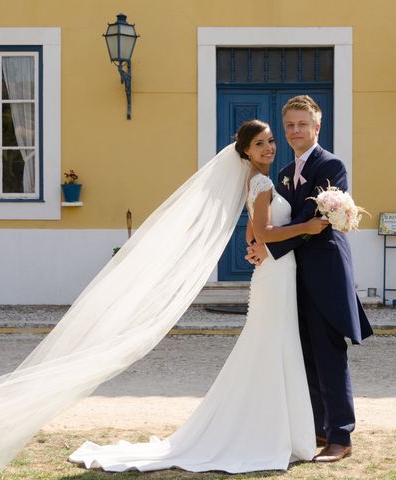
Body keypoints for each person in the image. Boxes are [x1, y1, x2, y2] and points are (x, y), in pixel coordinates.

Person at [68, 120, 330, 473]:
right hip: (277, 274)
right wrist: (307, 227)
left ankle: (273, 428)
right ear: (246, 151)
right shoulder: (263, 181)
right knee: (273, 343)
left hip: (274, 272)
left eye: (270, 141)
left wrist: (253, 245)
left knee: (270, 343)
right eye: (259, 144)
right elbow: (267, 230)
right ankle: (272, 431)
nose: (268, 148)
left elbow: (254, 228)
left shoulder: (254, 181)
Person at [246, 95, 374, 462]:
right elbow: (275, 219)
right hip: (294, 276)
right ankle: (318, 427)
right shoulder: (285, 170)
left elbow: (310, 220)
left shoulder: (330, 165)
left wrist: (269, 246)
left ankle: (341, 436)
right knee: (307, 356)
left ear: (317, 128)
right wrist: (256, 242)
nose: (295, 130)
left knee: (330, 354)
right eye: (289, 125)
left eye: (302, 124)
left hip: (326, 273)